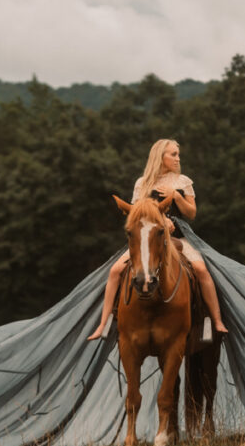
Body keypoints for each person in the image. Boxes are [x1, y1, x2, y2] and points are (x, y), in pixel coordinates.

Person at [87, 138, 229, 340]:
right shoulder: (142, 183)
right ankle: (105, 322)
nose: (177, 158)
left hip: (179, 237)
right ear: (160, 156)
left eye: (178, 154)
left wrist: (176, 196)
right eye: (173, 154)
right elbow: (136, 214)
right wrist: (161, 220)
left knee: (201, 270)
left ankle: (214, 319)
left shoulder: (183, 182)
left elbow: (191, 213)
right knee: (115, 271)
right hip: (150, 240)